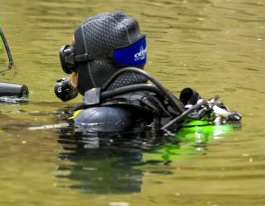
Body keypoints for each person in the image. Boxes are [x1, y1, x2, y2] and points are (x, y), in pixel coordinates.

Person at [54, 11, 240, 135]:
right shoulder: (151, 100)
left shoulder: (95, 119)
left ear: (97, 66)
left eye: (73, 51)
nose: (70, 63)